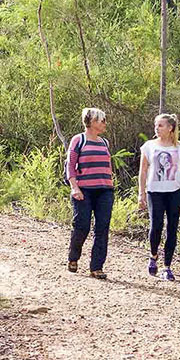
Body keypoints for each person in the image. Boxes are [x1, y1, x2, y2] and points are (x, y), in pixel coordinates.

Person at [137, 113, 180, 281]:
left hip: (175, 192)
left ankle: (167, 267)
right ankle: (153, 256)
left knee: (172, 229)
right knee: (156, 226)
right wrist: (141, 193)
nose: (156, 128)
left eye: (160, 125)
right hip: (155, 192)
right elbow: (143, 170)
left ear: (170, 128)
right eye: (156, 125)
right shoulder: (149, 146)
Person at [65, 107, 115, 279]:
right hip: (84, 191)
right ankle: (73, 257)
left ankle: (96, 267)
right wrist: (74, 187)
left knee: (102, 228)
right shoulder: (79, 140)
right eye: (102, 120)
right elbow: (70, 165)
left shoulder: (105, 142)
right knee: (82, 226)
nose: (105, 123)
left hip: (105, 191)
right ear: (92, 122)